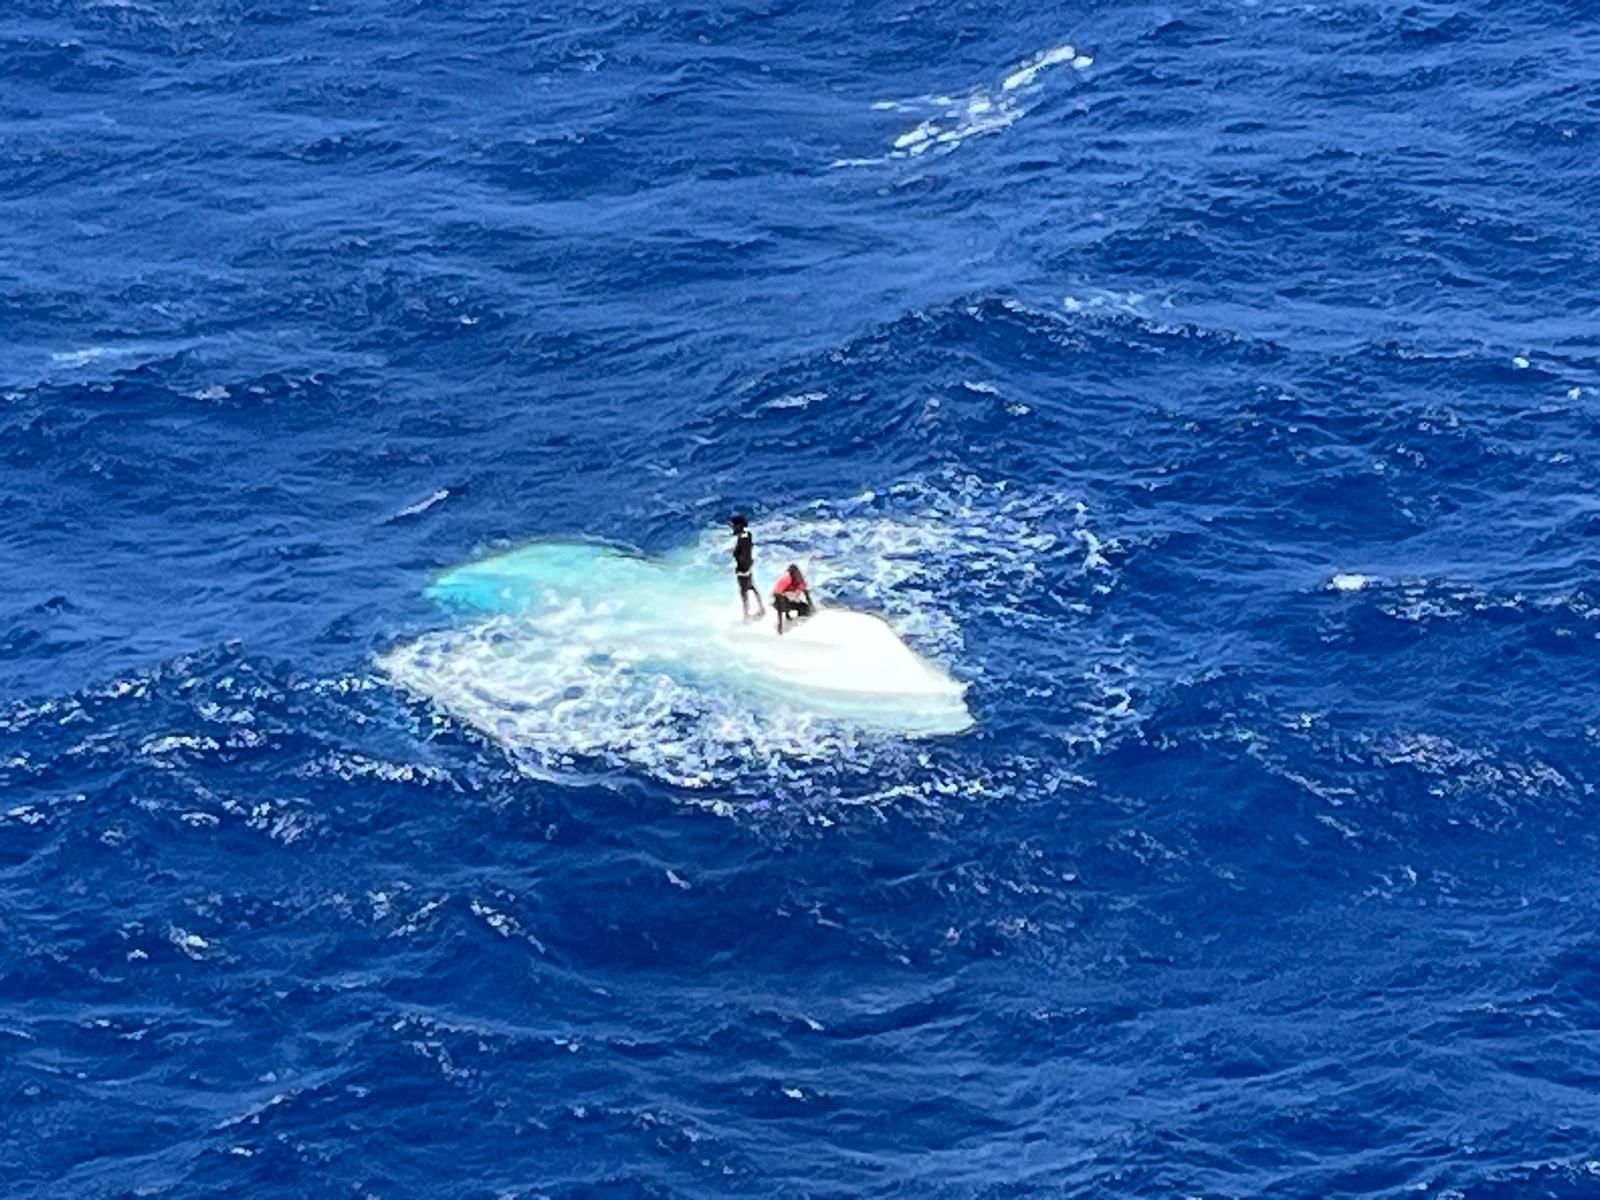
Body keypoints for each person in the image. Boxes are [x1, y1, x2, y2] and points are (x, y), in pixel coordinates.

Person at [729, 514, 764, 619]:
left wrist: (738, 558)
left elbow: (743, 553)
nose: (732, 527)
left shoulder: (743, 537)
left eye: (734, 525)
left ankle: (746, 614)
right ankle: (761, 608)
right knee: (751, 586)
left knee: (744, 591)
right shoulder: (747, 534)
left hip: (743, 567)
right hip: (748, 566)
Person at [771, 562, 813, 634]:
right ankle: (786, 621)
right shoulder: (786, 578)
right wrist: (780, 626)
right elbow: (776, 597)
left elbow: (807, 594)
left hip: (787, 601)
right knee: (782, 600)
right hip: (778, 602)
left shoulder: (800, 580)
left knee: (804, 608)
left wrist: (812, 608)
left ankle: (800, 625)